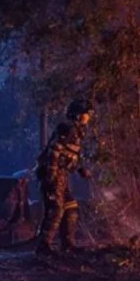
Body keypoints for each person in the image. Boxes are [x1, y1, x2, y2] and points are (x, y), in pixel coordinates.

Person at [36, 99, 94, 255]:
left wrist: (81, 169)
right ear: (78, 114)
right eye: (86, 114)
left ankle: (67, 244)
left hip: (62, 175)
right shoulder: (67, 128)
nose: (88, 117)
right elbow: (54, 151)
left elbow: (72, 155)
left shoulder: (76, 131)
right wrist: (51, 173)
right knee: (56, 209)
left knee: (71, 207)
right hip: (54, 174)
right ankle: (44, 246)